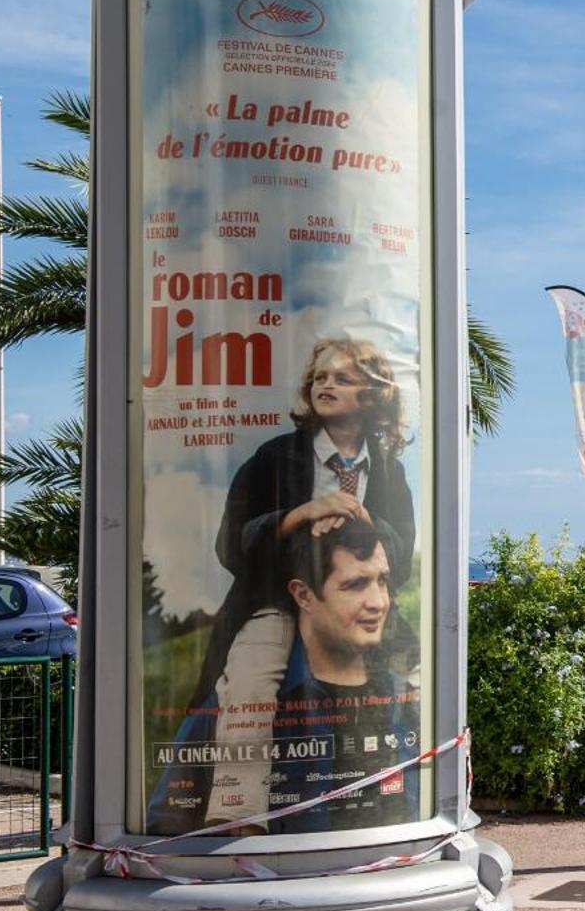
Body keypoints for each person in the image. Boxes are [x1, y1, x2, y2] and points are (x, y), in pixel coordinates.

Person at [186, 337, 415, 829]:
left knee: (407, 683)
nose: (326, 385)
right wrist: (297, 516)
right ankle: (238, 812)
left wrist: (362, 520)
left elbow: (404, 555)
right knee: (251, 678)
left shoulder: (389, 472)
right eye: (320, 377)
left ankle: (397, 803)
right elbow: (230, 543)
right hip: (275, 602)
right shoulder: (274, 457)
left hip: (350, 605)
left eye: (343, 378)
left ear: (374, 396)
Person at [152, 518, 421, 834]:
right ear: (303, 595)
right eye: (355, 585)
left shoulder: (402, 700)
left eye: (382, 581)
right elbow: (164, 831)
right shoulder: (232, 706)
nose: (378, 602)